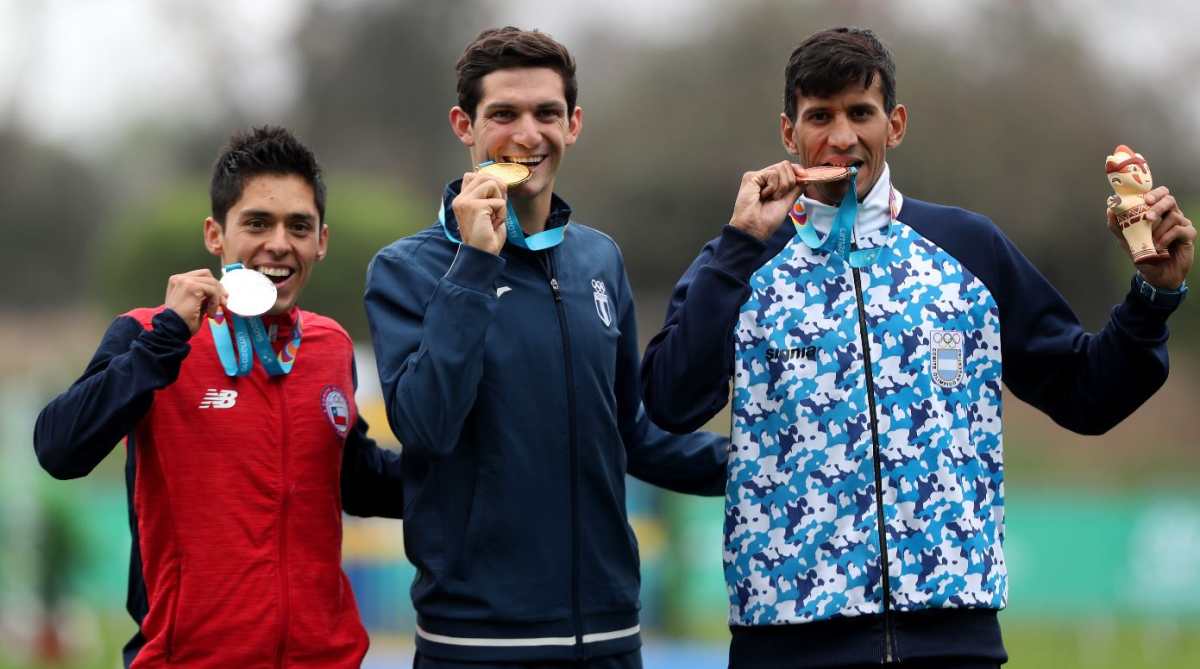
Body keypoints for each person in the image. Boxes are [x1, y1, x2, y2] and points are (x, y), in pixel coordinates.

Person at [639, 27, 1194, 669]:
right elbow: (670, 401)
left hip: (952, 638)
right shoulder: (740, 259)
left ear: (894, 123)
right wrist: (738, 248)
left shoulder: (970, 247)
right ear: (789, 134)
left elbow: (1086, 395)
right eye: (819, 116)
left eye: (860, 113)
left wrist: (1152, 300)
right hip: (787, 641)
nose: (842, 137)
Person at [363, 26, 728, 669]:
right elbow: (426, 425)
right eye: (503, 114)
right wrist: (475, 263)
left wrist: (768, 461)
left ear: (574, 123)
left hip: (609, 638)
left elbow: (631, 431)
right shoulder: (406, 271)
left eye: (546, 114)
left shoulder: (599, 257)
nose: (527, 134)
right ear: (464, 125)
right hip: (473, 643)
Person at [34, 126, 403, 669]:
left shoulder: (330, 346)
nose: (279, 242)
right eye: (258, 222)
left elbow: (354, 478)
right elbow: (59, 449)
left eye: (298, 226)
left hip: (327, 659)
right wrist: (164, 340)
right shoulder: (150, 336)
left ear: (320, 241)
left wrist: (479, 469)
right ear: (215, 234)